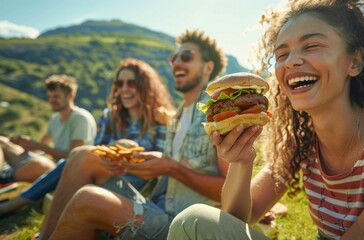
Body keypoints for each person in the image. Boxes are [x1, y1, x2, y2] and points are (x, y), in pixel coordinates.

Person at [168, 0, 364, 239]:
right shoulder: (301, 140)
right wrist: (241, 160)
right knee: (195, 222)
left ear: (355, 61)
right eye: (282, 55)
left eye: (312, 46)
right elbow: (237, 220)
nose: (291, 62)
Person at [37, 31, 228, 240]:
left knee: (87, 198)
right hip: (158, 208)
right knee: (82, 156)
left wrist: (172, 168)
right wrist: (132, 166)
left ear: (208, 67)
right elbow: (167, 178)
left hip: (181, 226)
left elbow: (230, 190)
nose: (177, 63)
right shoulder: (178, 117)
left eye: (187, 56)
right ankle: (43, 236)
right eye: (174, 58)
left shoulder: (218, 113)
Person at [0, 58, 175, 218]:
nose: (124, 88)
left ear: (145, 86)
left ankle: (14, 205)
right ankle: (28, 213)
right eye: (119, 83)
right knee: (74, 161)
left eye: (132, 83)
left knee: (72, 164)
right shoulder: (110, 116)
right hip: (99, 171)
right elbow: (95, 150)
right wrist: (114, 147)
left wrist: (131, 158)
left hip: (131, 179)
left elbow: (158, 166)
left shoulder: (159, 120)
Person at [0, 74, 96, 185]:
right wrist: (25, 144)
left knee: (38, 164)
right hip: (50, 163)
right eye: (49, 96)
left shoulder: (81, 118)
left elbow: (74, 158)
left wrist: (37, 146)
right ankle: (4, 174)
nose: (51, 100)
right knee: (2, 141)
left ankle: (6, 176)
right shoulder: (55, 118)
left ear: (70, 96)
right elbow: (41, 146)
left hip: (65, 170)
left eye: (56, 96)